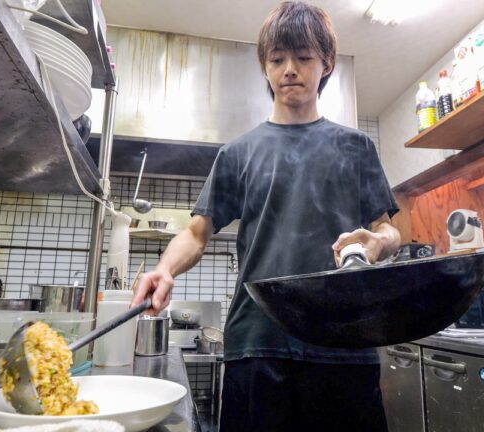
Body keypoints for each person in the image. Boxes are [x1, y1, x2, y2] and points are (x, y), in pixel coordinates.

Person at [132, 2, 401, 431]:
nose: (289, 69)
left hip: (343, 344)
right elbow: (196, 233)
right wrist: (164, 269)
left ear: (326, 63)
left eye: (303, 58)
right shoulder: (237, 154)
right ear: (265, 67)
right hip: (257, 343)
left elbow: (389, 230)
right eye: (277, 59)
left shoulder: (357, 148)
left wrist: (378, 242)